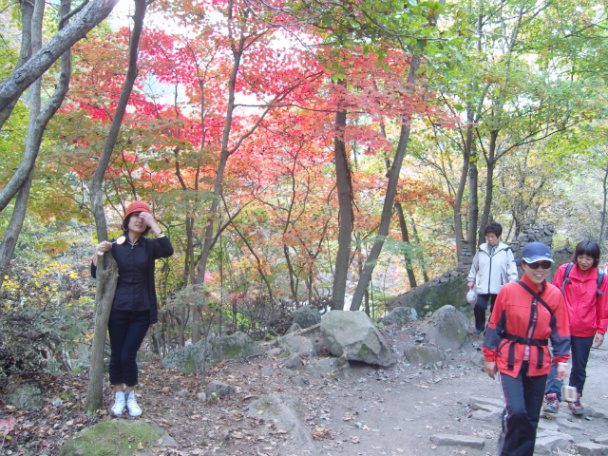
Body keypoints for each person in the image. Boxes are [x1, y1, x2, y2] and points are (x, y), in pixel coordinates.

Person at [483, 242, 571, 456]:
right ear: (523, 265)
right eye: (535, 264)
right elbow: (494, 324)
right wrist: (490, 356)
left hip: (539, 364)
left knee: (531, 418)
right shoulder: (508, 291)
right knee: (517, 412)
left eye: (545, 265)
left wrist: (562, 360)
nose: (540, 269)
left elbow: (560, 329)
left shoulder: (555, 295)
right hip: (510, 360)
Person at [91, 201, 173, 417]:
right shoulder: (114, 245)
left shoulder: (150, 246)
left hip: (142, 310)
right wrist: (97, 253)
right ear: (126, 220)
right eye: (135, 215)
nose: (139, 219)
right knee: (117, 354)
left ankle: (131, 395)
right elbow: (96, 274)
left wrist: (153, 224)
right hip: (117, 309)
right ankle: (119, 396)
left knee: (128, 354)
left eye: (143, 217)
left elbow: (168, 250)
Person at [543, 241, 608, 416]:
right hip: (562, 326)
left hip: (585, 329)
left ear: (594, 259)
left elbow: (603, 306)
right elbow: (553, 295)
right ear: (576, 256)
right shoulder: (565, 271)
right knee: (558, 361)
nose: (584, 261)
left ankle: (573, 398)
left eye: (588, 258)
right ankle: (553, 396)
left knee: (579, 366)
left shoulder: (601, 277)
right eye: (581, 257)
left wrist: (601, 330)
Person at [468, 222, 518, 334]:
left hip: (500, 286)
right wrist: (471, 279)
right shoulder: (481, 249)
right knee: (479, 306)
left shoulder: (506, 250)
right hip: (482, 284)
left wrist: (512, 283)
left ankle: (490, 330)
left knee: (496, 310)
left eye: (493, 236)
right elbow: (475, 266)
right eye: (488, 236)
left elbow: (512, 269)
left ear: (499, 236)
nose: (490, 239)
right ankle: (479, 327)